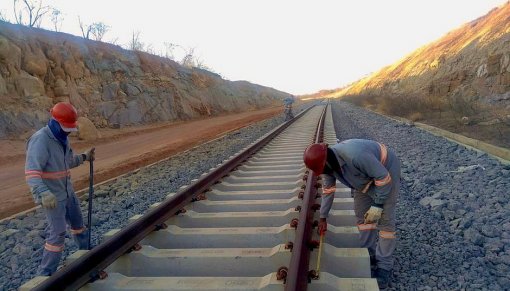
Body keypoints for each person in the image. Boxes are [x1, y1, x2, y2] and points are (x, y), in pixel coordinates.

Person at [303, 139, 400, 289]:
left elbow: (383, 177)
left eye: (321, 170)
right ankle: (370, 254)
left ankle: (384, 266)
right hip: (364, 180)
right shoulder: (328, 166)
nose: (322, 173)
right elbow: (328, 191)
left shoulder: (355, 156)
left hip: (385, 169)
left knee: (385, 222)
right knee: (363, 217)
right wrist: (323, 217)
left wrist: (377, 204)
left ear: (325, 162)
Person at [25, 102, 95, 276]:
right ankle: (45, 275)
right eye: (64, 127)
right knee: (57, 234)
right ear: (54, 121)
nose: (66, 131)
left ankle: (87, 254)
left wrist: (85, 157)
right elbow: (32, 173)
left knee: (78, 224)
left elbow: (68, 161)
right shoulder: (41, 140)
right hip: (52, 196)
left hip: (67, 192)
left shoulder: (62, 138)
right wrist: (43, 193)